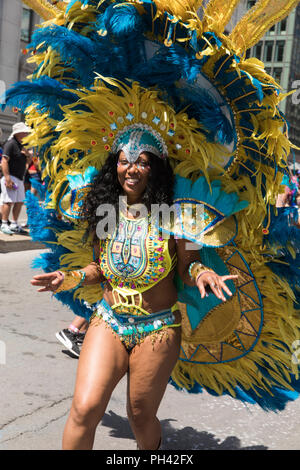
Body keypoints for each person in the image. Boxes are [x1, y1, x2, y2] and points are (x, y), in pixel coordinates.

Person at [31, 141, 238, 450]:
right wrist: (69, 277)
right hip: (108, 321)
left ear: (155, 169)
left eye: (142, 162)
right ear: (114, 166)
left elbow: (189, 264)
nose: (132, 169)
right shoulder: (106, 211)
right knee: (84, 409)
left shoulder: (178, 216)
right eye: (124, 161)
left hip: (158, 329)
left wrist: (201, 274)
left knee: (140, 416)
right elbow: (99, 268)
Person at [0, 122, 31, 235]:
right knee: (8, 201)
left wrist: (28, 155)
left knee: (19, 201)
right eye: (25, 132)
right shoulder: (11, 143)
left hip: (19, 178)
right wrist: (7, 178)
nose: (27, 133)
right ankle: (4, 223)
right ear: (19, 133)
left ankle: (14, 223)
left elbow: (27, 163)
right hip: (11, 176)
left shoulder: (21, 145)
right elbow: (4, 161)